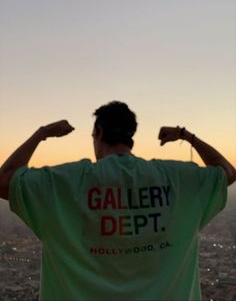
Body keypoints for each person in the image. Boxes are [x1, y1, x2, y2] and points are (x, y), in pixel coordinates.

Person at [0, 101, 235, 301]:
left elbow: (5, 179)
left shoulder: (65, 182)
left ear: (99, 133)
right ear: (130, 135)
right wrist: (185, 135)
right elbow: (226, 171)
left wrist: (42, 133)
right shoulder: (176, 179)